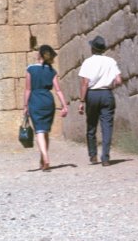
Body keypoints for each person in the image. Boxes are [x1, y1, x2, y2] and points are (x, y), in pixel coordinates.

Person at [77, 35, 123, 166]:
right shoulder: (111, 61)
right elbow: (119, 80)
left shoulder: (87, 62)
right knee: (107, 127)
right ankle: (106, 158)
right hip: (107, 94)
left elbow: (85, 83)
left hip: (92, 95)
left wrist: (82, 101)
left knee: (91, 125)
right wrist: (111, 86)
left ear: (92, 48)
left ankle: (93, 155)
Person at [24, 44, 69, 171]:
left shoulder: (30, 69)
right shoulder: (52, 71)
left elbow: (27, 89)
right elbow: (58, 90)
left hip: (35, 101)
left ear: (39, 54)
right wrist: (64, 105)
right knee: (46, 132)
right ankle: (42, 161)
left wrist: (25, 105)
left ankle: (45, 157)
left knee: (39, 131)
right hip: (48, 102)